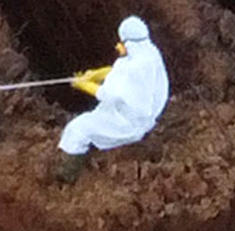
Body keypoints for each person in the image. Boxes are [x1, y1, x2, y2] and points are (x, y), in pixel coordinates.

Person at [59, 15, 169, 160]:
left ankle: (72, 166)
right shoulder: (149, 54)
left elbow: (108, 94)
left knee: (77, 129)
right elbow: (120, 71)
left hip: (129, 124)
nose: (118, 46)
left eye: (122, 42)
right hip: (140, 115)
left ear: (129, 43)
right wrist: (96, 74)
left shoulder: (135, 67)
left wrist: (84, 85)